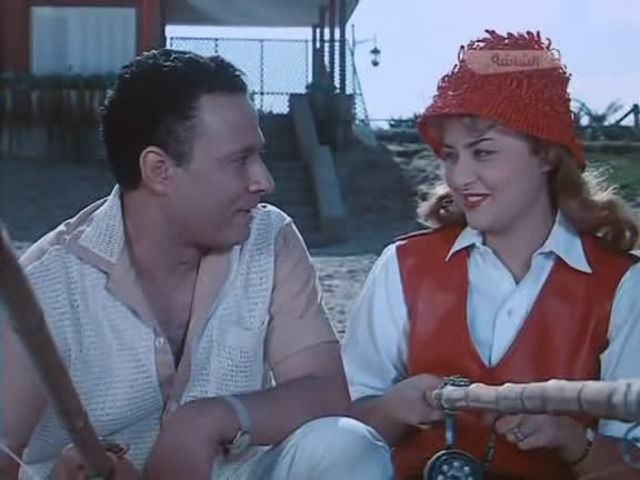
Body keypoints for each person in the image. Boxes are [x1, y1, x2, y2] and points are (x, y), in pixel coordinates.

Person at [0, 49, 393, 479]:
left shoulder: (268, 237)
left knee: (347, 447)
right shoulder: (46, 284)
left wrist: (208, 420)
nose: (264, 181)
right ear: (159, 170)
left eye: (259, 156)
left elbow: (326, 393)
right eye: (239, 160)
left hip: (232, 471)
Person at [342, 30, 640, 479]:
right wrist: (391, 407)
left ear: (545, 154)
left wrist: (571, 439)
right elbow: (338, 438)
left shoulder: (623, 286)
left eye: (483, 152)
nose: (459, 176)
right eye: (450, 155)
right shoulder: (402, 267)